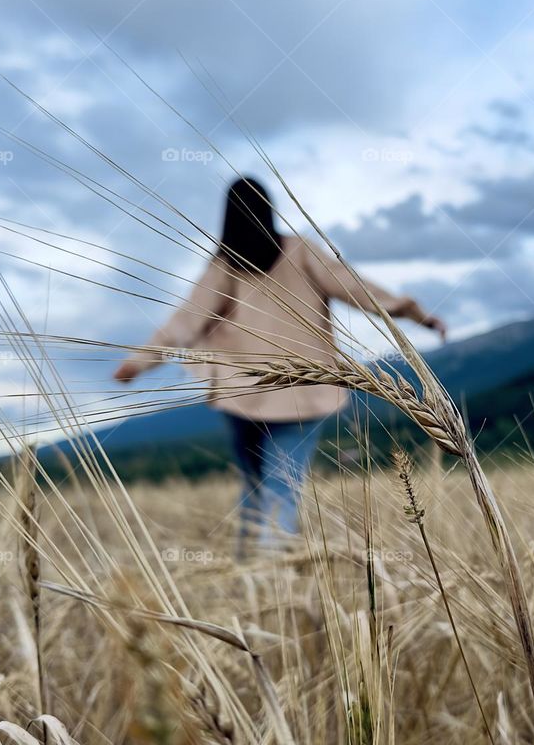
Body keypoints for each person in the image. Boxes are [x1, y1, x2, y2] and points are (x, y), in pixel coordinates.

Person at [113, 177, 446, 543]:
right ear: (269, 210)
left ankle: (252, 574)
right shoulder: (300, 251)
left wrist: (139, 362)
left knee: (255, 485)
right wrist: (413, 313)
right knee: (282, 487)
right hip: (303, 391)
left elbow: (186, 322)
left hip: (241, 392)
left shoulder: (225, 264)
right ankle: (271, 579)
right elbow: (355, 288)